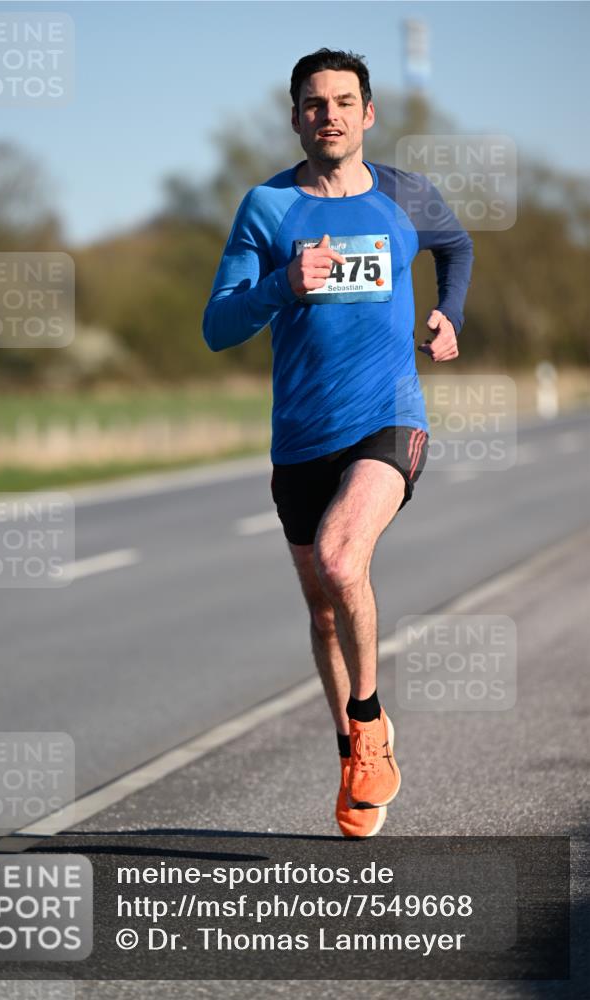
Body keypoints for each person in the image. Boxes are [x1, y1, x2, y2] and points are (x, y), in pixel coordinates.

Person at [202, 48, 473, 837]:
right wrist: (283, 284)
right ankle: (354, 752)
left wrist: (449, 311)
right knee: (321, 613)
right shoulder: (266, 208)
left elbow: (455, 247)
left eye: (344, 101)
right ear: (294, 118)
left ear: (368, 114)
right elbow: (218, 327)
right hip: (299, 438)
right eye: (313, 104)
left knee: (338, 560)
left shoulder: (405, 195)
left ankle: (369, 715)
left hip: (388, 417)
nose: (330, 115)